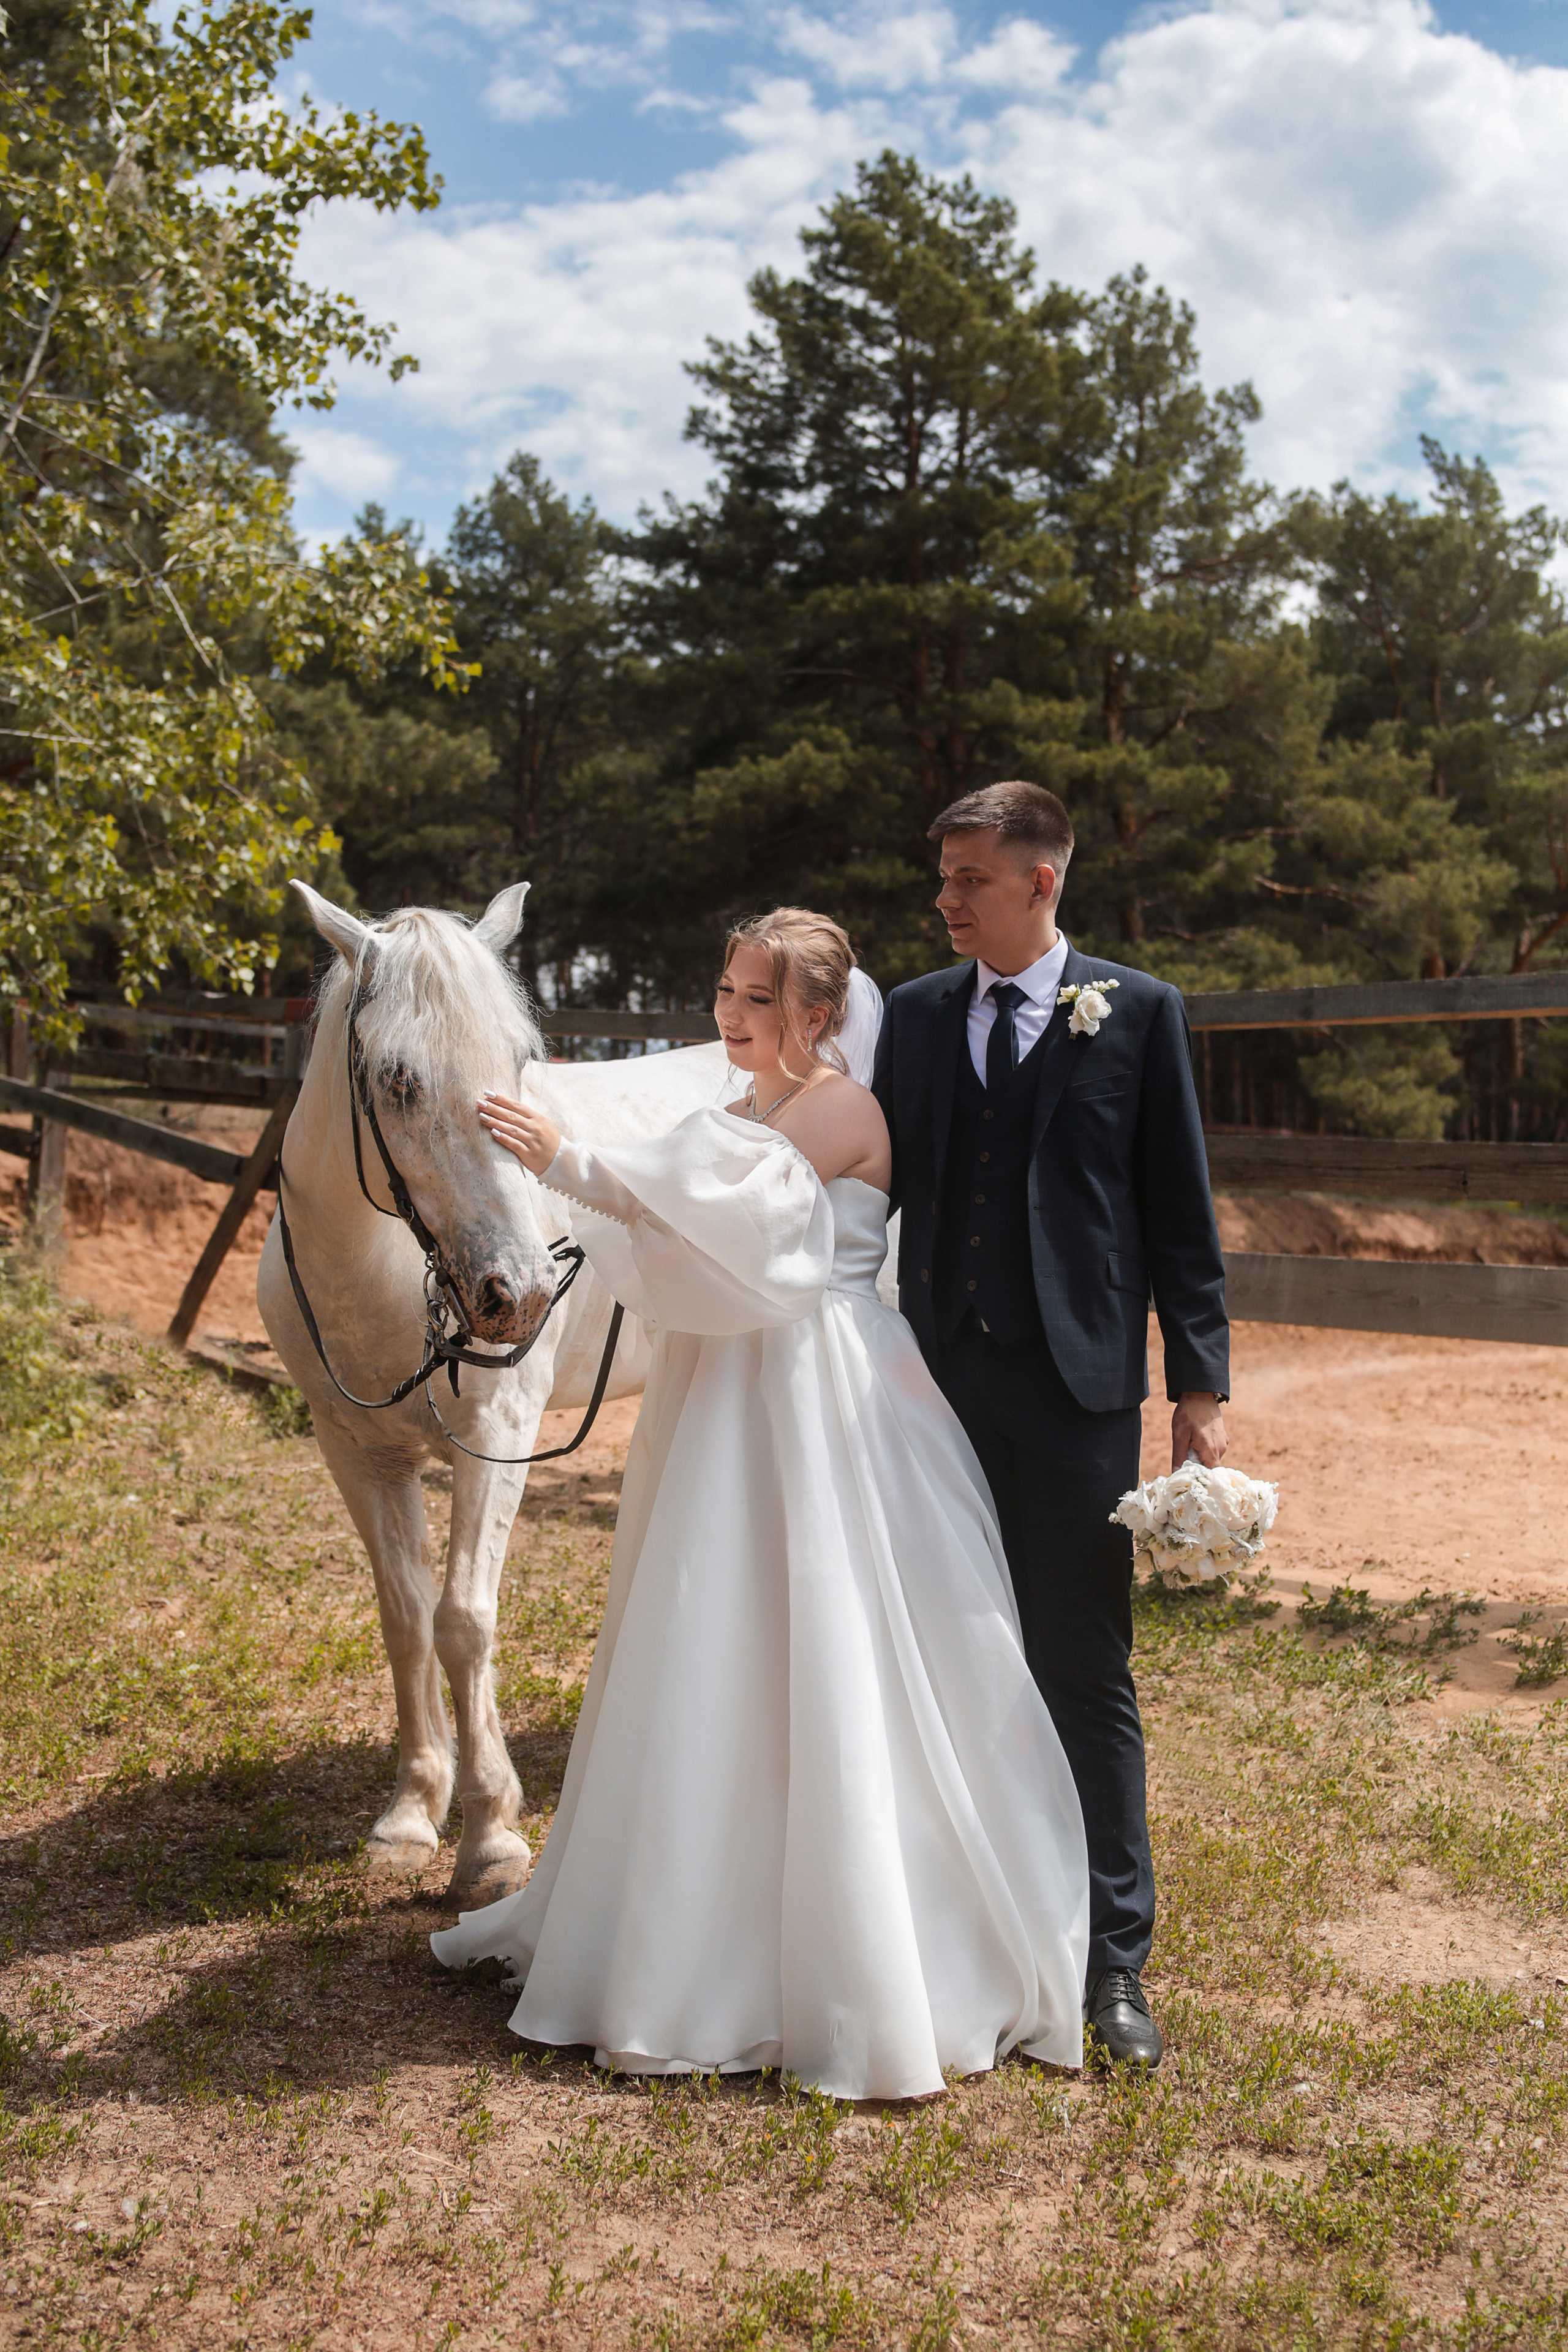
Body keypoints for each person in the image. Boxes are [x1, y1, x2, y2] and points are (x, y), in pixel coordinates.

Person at [429, 908, 1089, 2100]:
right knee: (706, 1637)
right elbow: (681, 1213)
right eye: (724, 993)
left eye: (751, 999)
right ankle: (681, 1921)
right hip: (724, 1393)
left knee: (830, 1641)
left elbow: (728, 1215)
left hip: (819, 1393)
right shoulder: (739, 1109)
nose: (727, 1016)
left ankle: (848, 1951)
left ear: (816, 1017)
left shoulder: (838, 1107)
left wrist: (571, 1161)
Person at [872, 783, 1230, 2070]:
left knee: (1080, 1667)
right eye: (942, 877)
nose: (944, 899)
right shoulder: (910, 1019)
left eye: (968, 877)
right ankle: (959, 1926)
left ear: (1040, 881)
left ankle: (1111, 1965)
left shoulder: (1136, 1013)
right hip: (928, 1389)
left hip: (1079, 1392)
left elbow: (1177, 1217)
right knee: (939, 1656)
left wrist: (1197, 1387)